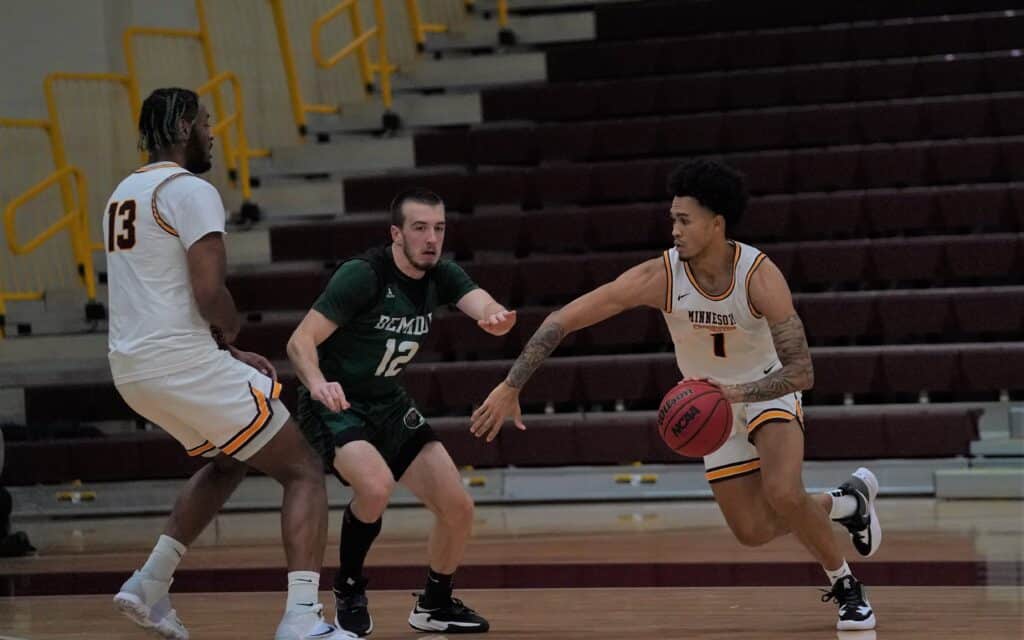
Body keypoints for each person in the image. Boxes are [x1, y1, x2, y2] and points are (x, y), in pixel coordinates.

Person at [469, 159, 881, 632]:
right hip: (710, 406)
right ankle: (849, 502)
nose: (675, 229)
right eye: (672, 219)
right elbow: (563, 319)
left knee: (784, 492)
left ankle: (847, 587)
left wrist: (735, 392)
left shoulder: (759, 276)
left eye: (684, 220)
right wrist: (511, 384)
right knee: (752, 532)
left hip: (766, 388)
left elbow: (802, 371)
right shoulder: (661, 276)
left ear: (716, 223)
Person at [106, 87, 346, 640]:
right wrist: (230, 330)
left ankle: (149, 583)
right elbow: (209, 291)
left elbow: (154, 294)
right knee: (303, 468)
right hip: (180, 363)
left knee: (232, 460)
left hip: (133, 369)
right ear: (186, 124)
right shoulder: (189, 189)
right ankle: (302, 617)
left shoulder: (123, 193)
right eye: (208, 123)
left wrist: (220, 351)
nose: (213, 133)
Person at [287, 188, 513, 636]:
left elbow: (477, 298)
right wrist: (316, 384)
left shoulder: (441, 274)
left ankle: (434, 603)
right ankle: (349, 586)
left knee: (458, 508)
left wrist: (493, 315)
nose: (432, 238)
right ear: (396, 234)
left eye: (439, 228)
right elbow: (299, 341)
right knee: (375, 486)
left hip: (389, 402)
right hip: (337, 401)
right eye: (420, 228)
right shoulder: (363, 275)